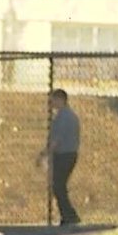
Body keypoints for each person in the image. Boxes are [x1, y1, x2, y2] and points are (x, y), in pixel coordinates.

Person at [39, 89, 82, 225]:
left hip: (65, 155)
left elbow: (57, 139)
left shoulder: (65, 117)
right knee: (59, 186)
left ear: (60, 100)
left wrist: (45, 153)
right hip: (66, 155)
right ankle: (68, 216)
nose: (50, 103)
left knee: (58, 186)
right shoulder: (64, 116)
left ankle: (70, 216)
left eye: (52, 100)